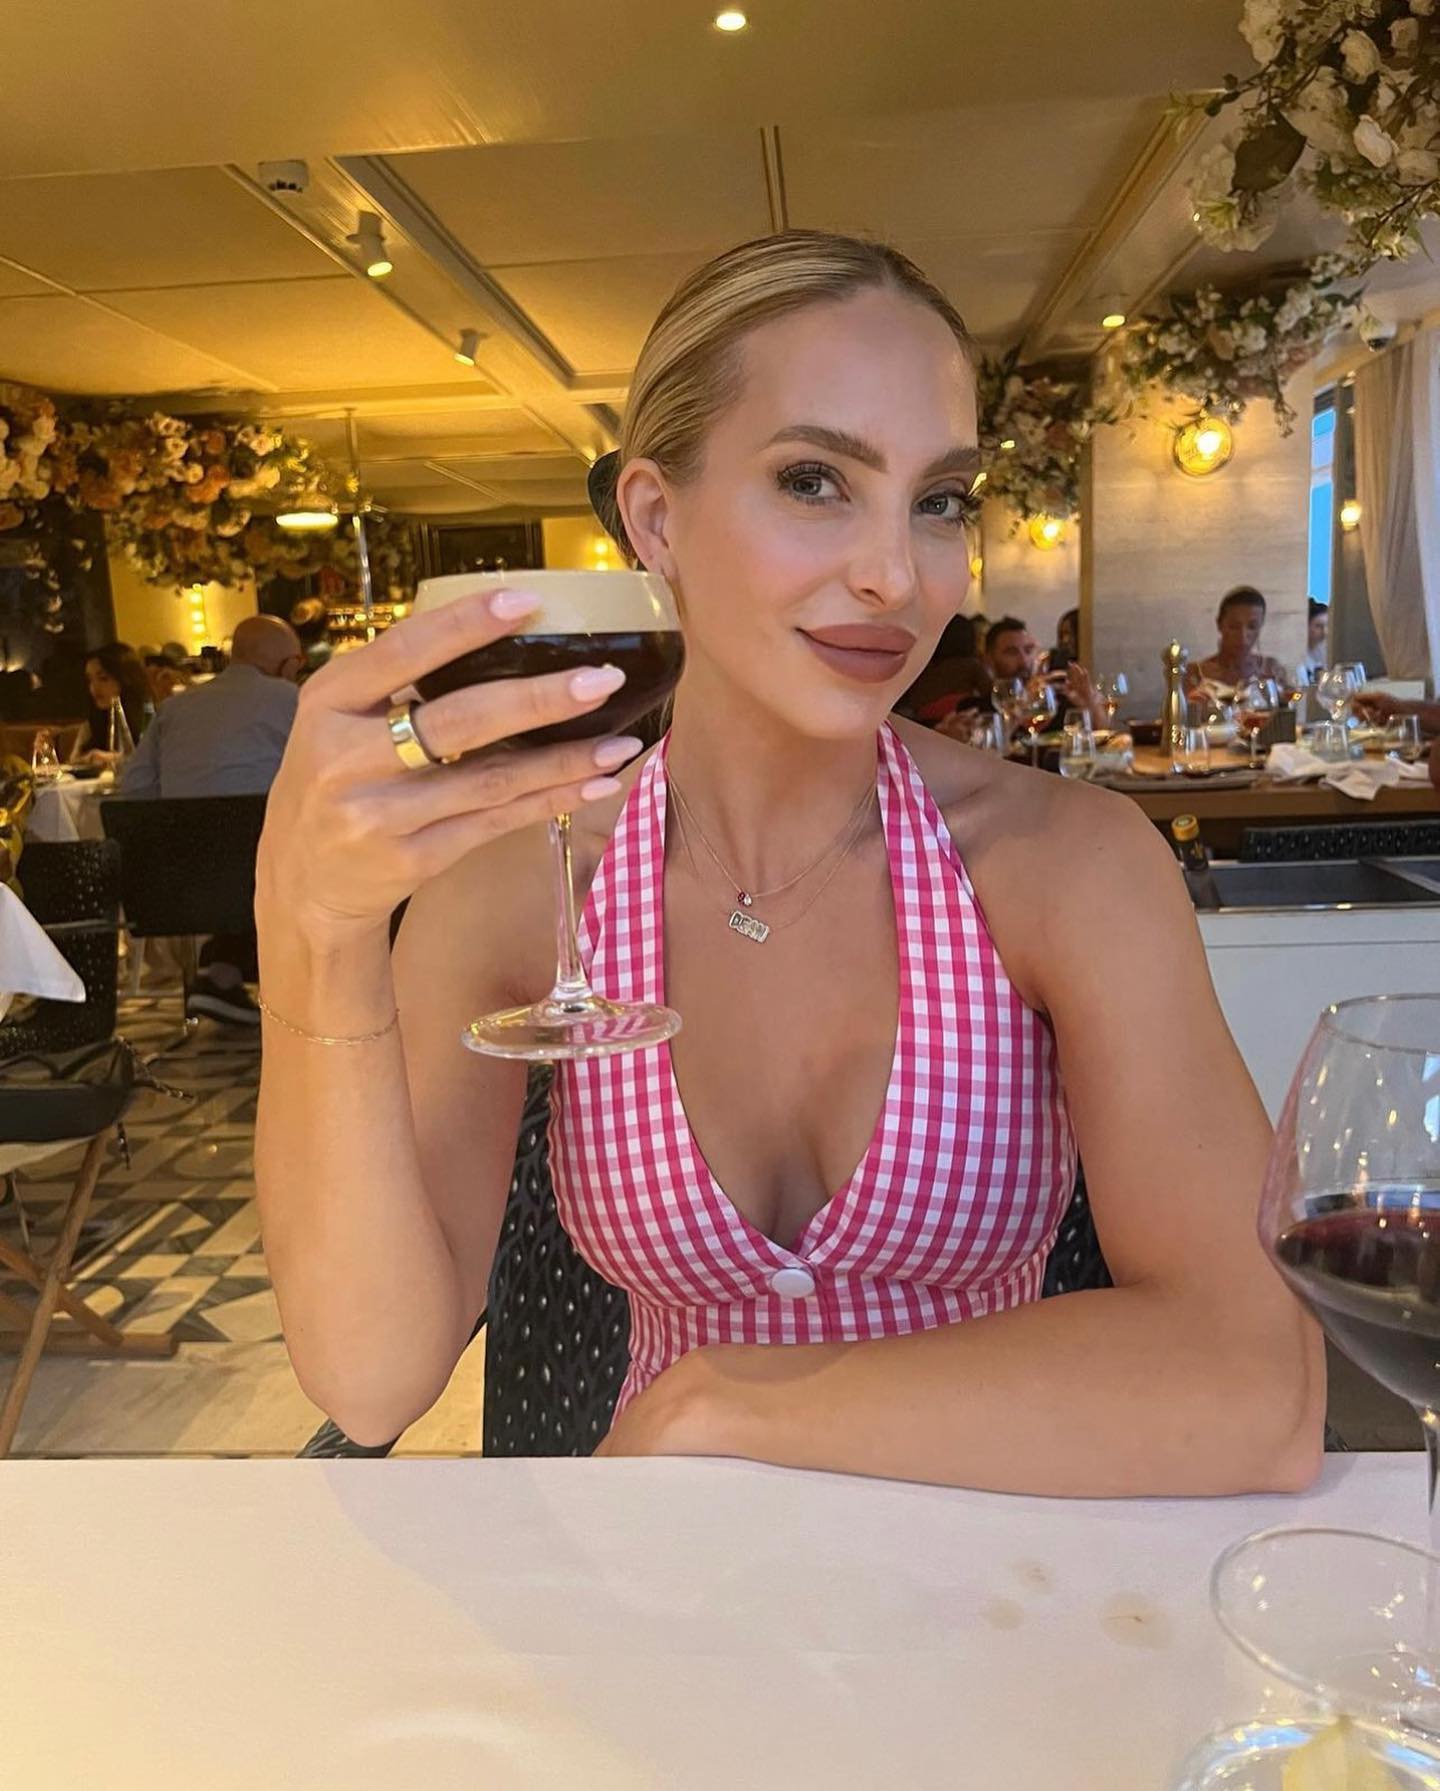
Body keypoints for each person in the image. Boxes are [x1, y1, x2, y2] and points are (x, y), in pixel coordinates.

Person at [254, 230, 1321, 1494]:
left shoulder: (1064, 865)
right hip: (677, 1585)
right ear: (656, 518)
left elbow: (1263, 1384)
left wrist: (731, 1404)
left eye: (938, 501)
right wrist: (313, 929)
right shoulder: (521, 885)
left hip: (1005, 1569)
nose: (896, 577)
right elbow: (372, 1376)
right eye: (816, 481)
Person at [121, 614, 303, 1025]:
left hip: (177, 883)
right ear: (287, 664)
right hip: (269, 877)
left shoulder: (175, 707)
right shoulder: (293, 701)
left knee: (249, 860)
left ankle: (220, 972)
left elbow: (135, 789)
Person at [985, 615, 1107, 731]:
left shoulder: (1053, 696)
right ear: (989, 659)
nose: (1024, 661)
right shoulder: (983, 707)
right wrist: (1023, 704)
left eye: (1028, 650)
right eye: (1012, 652)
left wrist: (1090, 703)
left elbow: (1103, 733)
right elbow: (992, 741)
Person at [1186, 586, 1290, 697]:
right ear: (1220, 625)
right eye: (1234, 627)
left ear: (1260, 626)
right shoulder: (1195, 674)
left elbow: (1292, 703)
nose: (1243, 635)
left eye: (1252, 626)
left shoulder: (1271, 669)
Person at [69, 642, 149, 766]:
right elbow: (73, 762)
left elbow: (155, 759)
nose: (94, 688)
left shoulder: (148, 715)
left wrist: (112, 758)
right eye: (90, 680)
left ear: (126, 679)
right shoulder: (92, 721)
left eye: (103, 678)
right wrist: (89, 758)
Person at [1299, 599, 1328, 679]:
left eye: (1327, 625)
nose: (1325, 631)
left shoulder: (1327, 650)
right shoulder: (1299, 654)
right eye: (1318, 626)